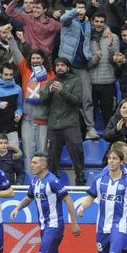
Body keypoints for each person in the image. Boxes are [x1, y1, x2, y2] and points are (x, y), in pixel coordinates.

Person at [10, 152, 85, 253]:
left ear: (44, 165)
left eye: (35, 163)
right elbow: (29, 197)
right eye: (32, 162)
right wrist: (18, 207)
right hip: (44, 227)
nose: (32, 165)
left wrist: (74, 223)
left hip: (54, 225)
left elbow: (68, 200)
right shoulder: (35, 181)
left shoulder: (53, 181)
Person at [7, 27, 54, 172]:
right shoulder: (25, 70)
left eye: (38, 58)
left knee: (42, 154)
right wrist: (10, 37)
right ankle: (30, 183)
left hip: (43, 121)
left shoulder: (51, 75)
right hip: (27, 119)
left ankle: (42, 181)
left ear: (43, 60)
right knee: (28, 152)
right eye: (33, 58)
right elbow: (16, 52)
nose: (35, 60)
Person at [41, 57, 85, 185]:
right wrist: (49, 92)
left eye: (62, 65)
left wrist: (62, 91)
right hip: (54, 124)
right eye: (57, 65)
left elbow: (77, 100)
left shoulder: (75, 80)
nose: (60, 67)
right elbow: (42, 101)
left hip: (71, 124)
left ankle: (80, 181)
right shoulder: (51, 82)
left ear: (68, 68)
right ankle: (53, 183)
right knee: (51, 158)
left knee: (77, 153)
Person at [58, 0, 99, 140]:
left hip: (82, 66)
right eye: (78, 8)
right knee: (63, 98)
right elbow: (63, 18)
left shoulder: (87, 23)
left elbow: (98, 31)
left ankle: (90, 128)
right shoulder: (69, 21)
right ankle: (62, 128)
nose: (81, 11)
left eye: (83, 8)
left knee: (87, 98)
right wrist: (76, 11)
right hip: (66, 67)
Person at [89, 13, 120, 127]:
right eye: (96, 21)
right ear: (93, 22)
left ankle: (110, 142)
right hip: (91, 83)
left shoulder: (113, 36)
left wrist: (111, 45)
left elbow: (115, 59)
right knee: (89, 117)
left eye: (102, 22)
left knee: (109, 116)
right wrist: (95, 59)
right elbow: (86, 63)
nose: (99, 24)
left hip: (108, 82)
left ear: (105, 22)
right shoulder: (87, 36)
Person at [0, 62, 23, 149]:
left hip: (12, 129)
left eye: (11, 75)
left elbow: (20, 106)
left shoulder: (18, 89)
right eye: (6, 74)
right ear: (0, 74)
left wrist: (18, 114)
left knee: (14, 156)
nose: (9, 77)